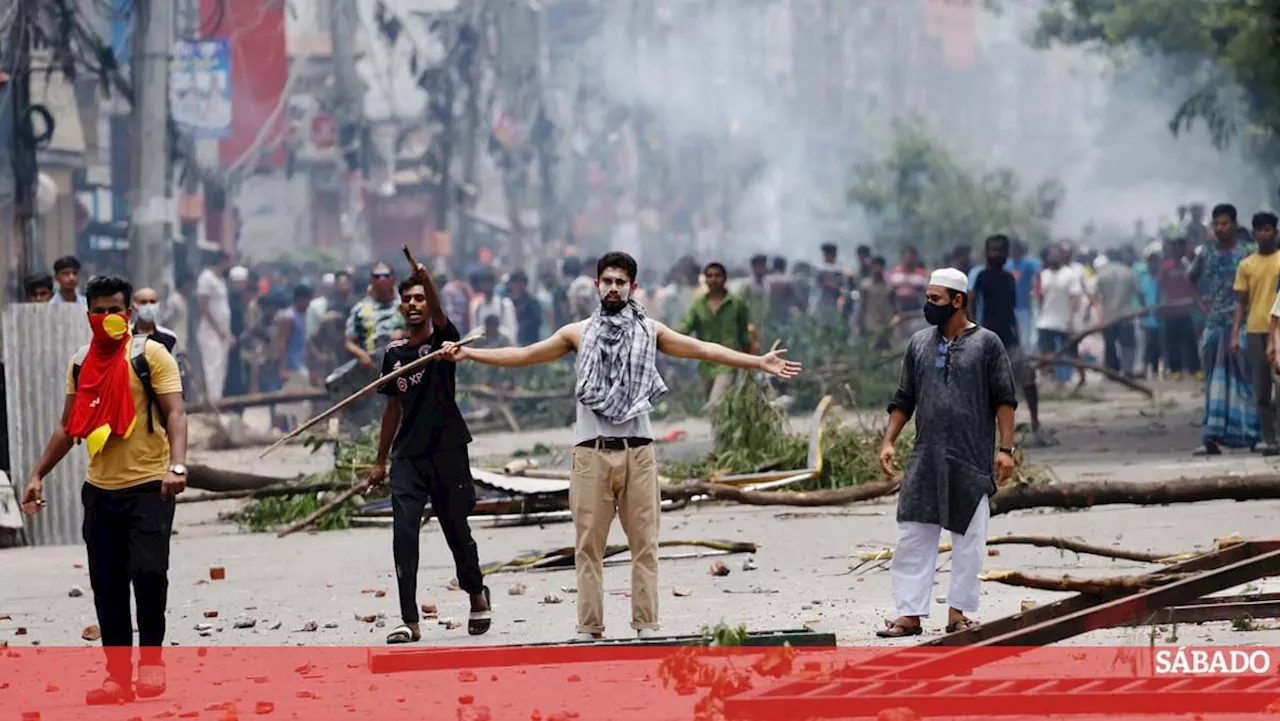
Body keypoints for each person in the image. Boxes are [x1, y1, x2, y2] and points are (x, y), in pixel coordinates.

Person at [442, 251, 801, 640]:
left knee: (644, 544)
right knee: (588, 547)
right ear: (597, 285)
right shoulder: (575, 333)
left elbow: (703, 348)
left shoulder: (652, 331)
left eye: (621, 282)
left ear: (633, 287)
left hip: (639, 452)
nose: (613, 288)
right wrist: (468, 354)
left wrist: (756, 362)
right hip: (590, 453)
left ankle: (646, 625)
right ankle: (589, 627)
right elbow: (524, 356)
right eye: (607, 281)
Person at [21, 275, 188, 705]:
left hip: (151, 485)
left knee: (149, 575)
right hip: (100, 491)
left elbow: (176, 415)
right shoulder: (80, 362)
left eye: (115, 309)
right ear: (88, 315)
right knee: (107, 585)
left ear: (128, 313)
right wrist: (39, 473)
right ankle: (116, 677)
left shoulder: (151, 356)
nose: (107, 317)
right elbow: (68, 425)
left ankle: (151, 662)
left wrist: (178, 466)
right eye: (99, 310)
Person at [875, 268, 1017, 638]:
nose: (927, 305)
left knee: (970, 542)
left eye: (935, 299)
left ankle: (958, 614)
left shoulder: (988, 344)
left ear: (958, 301)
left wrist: (1006, 449)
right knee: (912, 536)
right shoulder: (919, 343)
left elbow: (1004, 399)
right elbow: (904, 397)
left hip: (969, 459)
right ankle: (909, 615)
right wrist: (889, 440)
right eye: (927, 297)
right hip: (925, 458)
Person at [366, 269, 492, 644]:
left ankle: (476, 593)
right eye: (407, 300)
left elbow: (440, 317)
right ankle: (409, 620)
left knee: (456, 529)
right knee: (403, 533)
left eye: (420, 298)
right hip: (409, 456)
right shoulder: (394, 354)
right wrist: (380, 460)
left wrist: (428, 281)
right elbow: (392, 410)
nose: (413, 305)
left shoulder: (444, 343)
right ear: (400, 307)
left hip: (448, 451)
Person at [1190, 204, 1260, 456]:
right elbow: (1192, 278)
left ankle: (1252, 434)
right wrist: (1202, 304)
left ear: (1234, 224)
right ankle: (1212, 434)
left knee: (1245, 378)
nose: (1220, 228)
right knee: (1213, 380)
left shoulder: (1248, 252)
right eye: (1216, 224)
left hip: (1244, 322)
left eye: (1225, 223)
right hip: (1215, 322)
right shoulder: (1206, 252)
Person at [969, 235, 1042, 438]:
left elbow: (1011, 311)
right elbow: (972, 304)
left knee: (1027, 376)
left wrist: (1018, 336)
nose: (997, 254)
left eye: (1001, 250)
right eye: (993, 250)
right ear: (986, 253)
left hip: (1009, 337)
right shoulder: (980, 277)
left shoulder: (1009, 278)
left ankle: (1035, 420)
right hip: (985, 336)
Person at [1232, 212, 1280, 455]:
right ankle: (1270, 439)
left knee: (1279, 384)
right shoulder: (1246, 265)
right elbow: (1241, 302)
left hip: (1279, 331)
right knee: (1261, 388)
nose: (1264, 234)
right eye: (1259, 230)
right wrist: (1234, 333)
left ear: (1276, 232)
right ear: (1254, 234)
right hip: (1255, 330)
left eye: (1268, 229)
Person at [679, 262, 752, 406]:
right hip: (706, 362)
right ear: (704, 279)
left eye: (717, 276)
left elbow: (744, 334)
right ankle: (722, 429)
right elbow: (686, 328)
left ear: (725, 278)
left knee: (715, 403)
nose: (713, 279)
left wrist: (748, 360)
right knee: (714, 405)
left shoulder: (737, 304)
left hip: (729, 360)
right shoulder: (698, 305)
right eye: (709, 276)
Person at [196, 251, 235, 403]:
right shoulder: (206, 278)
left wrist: (226, 332)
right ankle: (213, 400)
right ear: (222, 261)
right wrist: (217, 328)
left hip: (223, 331)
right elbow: (203, 305)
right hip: (210, 331)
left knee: (221, 367)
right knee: (212, 365)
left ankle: (218, 398)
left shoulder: (221, 280)